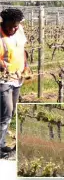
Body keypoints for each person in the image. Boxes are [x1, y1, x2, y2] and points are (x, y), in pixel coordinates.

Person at [0, 8, 30, 158]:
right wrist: (2, 65)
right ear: (3, 22)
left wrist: (26, 67)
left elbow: (22, 50)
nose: (12, 29)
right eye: (10, 26)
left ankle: (2, 144)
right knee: (5, 113)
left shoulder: (19, 31)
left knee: (10, 113)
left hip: (18, 79)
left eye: (15, 26)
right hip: (3, 80)